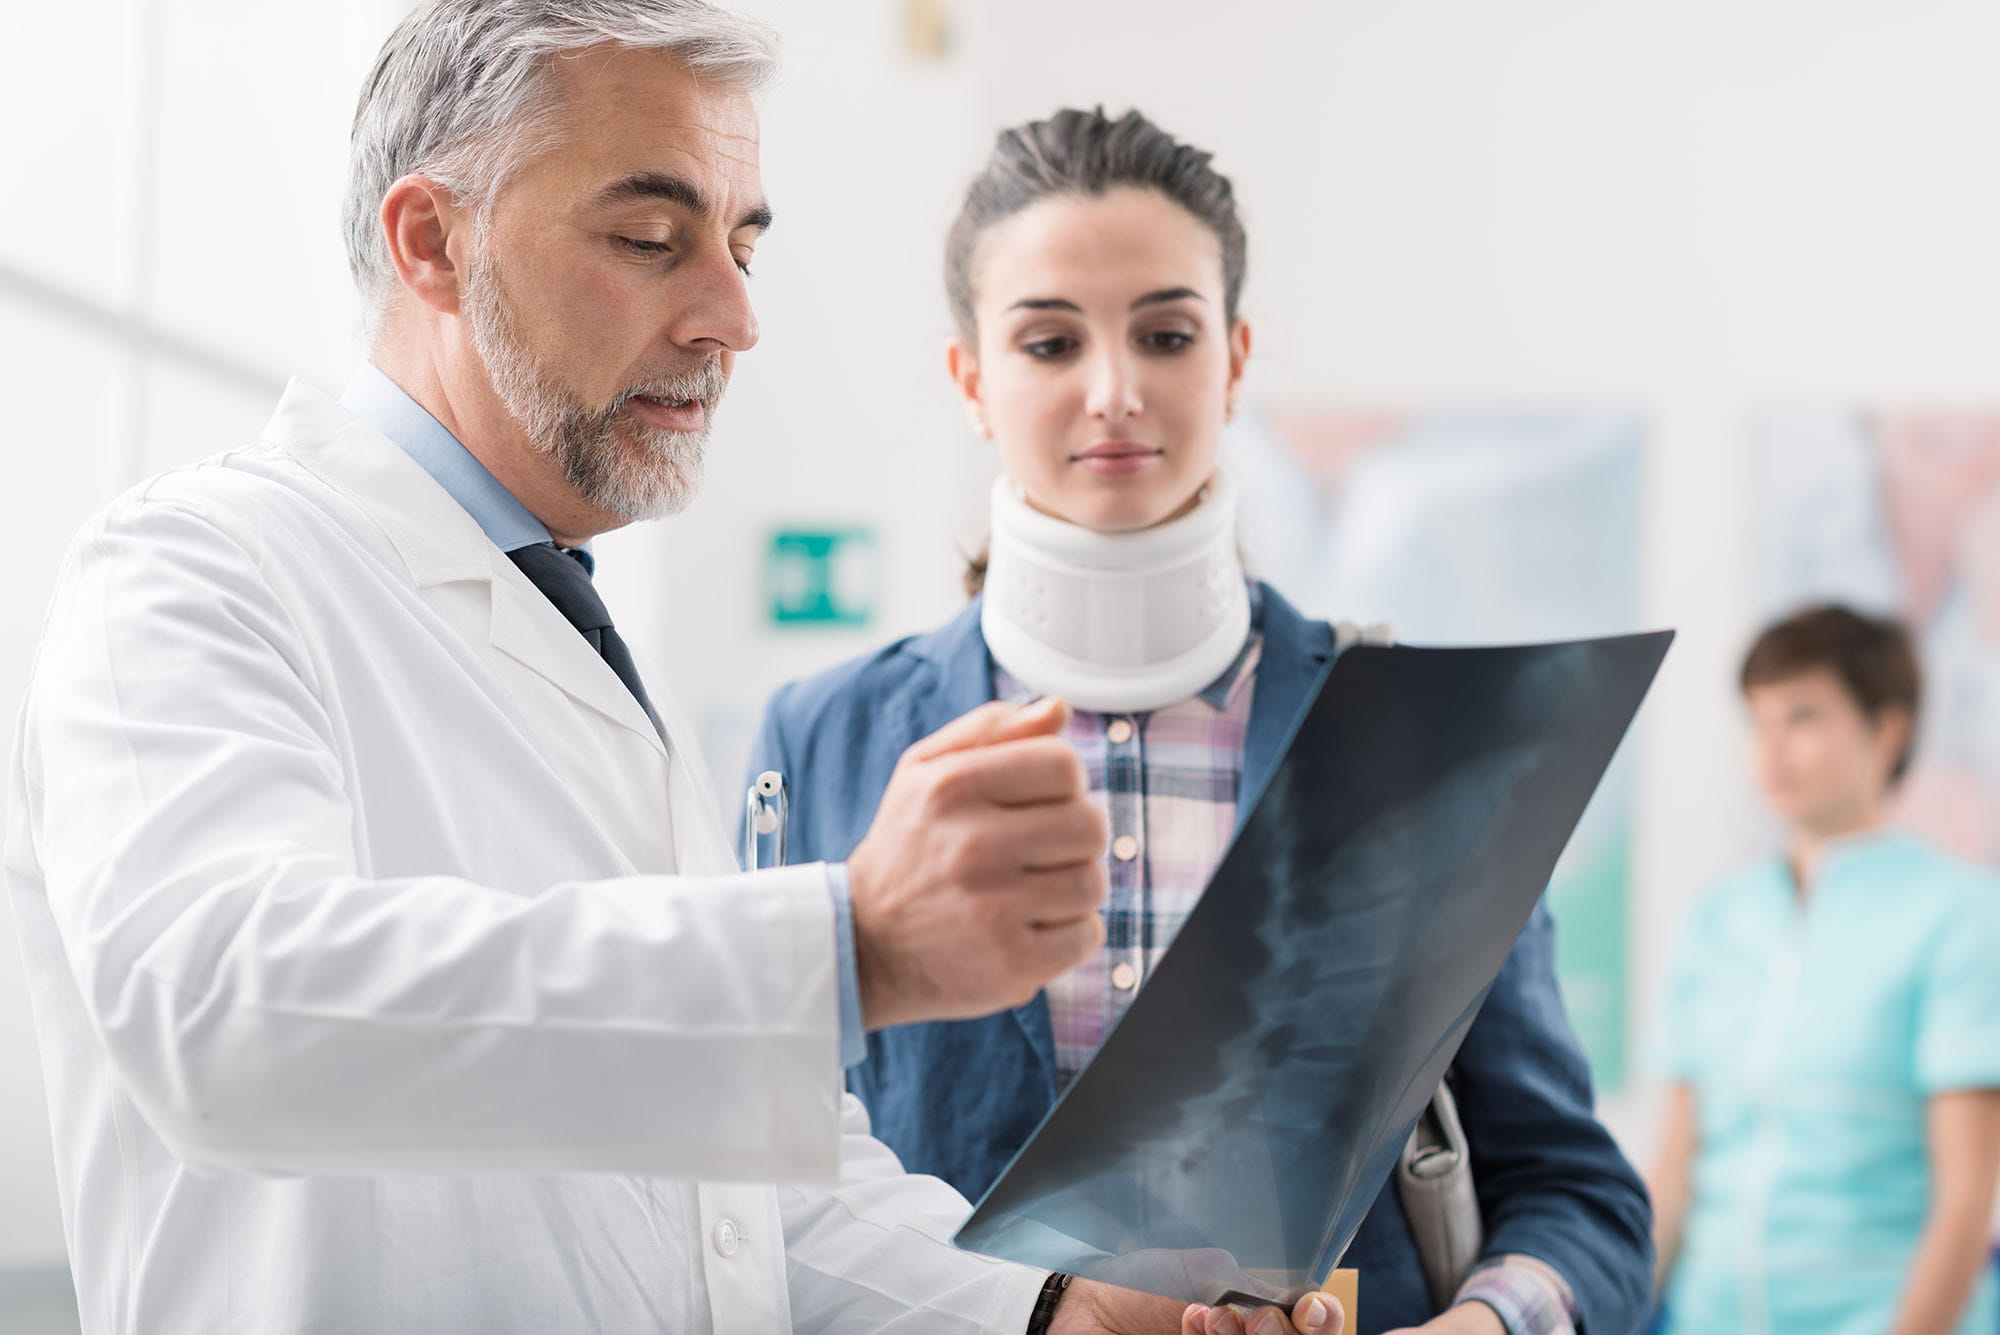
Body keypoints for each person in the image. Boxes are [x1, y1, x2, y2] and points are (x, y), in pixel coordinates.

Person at [2, 6, 1339, 1334]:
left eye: (744, 244)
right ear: (432, 240)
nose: (736, 316)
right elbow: (232, 1014)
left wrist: (1052, 1306)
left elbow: (730, 1201)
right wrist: (847, 945)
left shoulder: (575, 639)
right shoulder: (192, 574)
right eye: (651, 239)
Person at [745, 107, 1653, 1335]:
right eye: (1049, 343)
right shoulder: (824, 739)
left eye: (1163, 334)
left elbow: (1575, 1196)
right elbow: (762, 1186)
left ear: (1231, 359)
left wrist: (1486, 1327)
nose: (1112, 391)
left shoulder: (1413, 737)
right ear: (971, 379)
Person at [1648, 605, 2000, 1334]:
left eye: (1803, 717)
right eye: (1758, 720)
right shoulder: (1716, 919)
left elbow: (1968, 1196)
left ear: (1887, 729)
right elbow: (1676, 1172)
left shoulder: (1962, 914)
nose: (1771, 748)